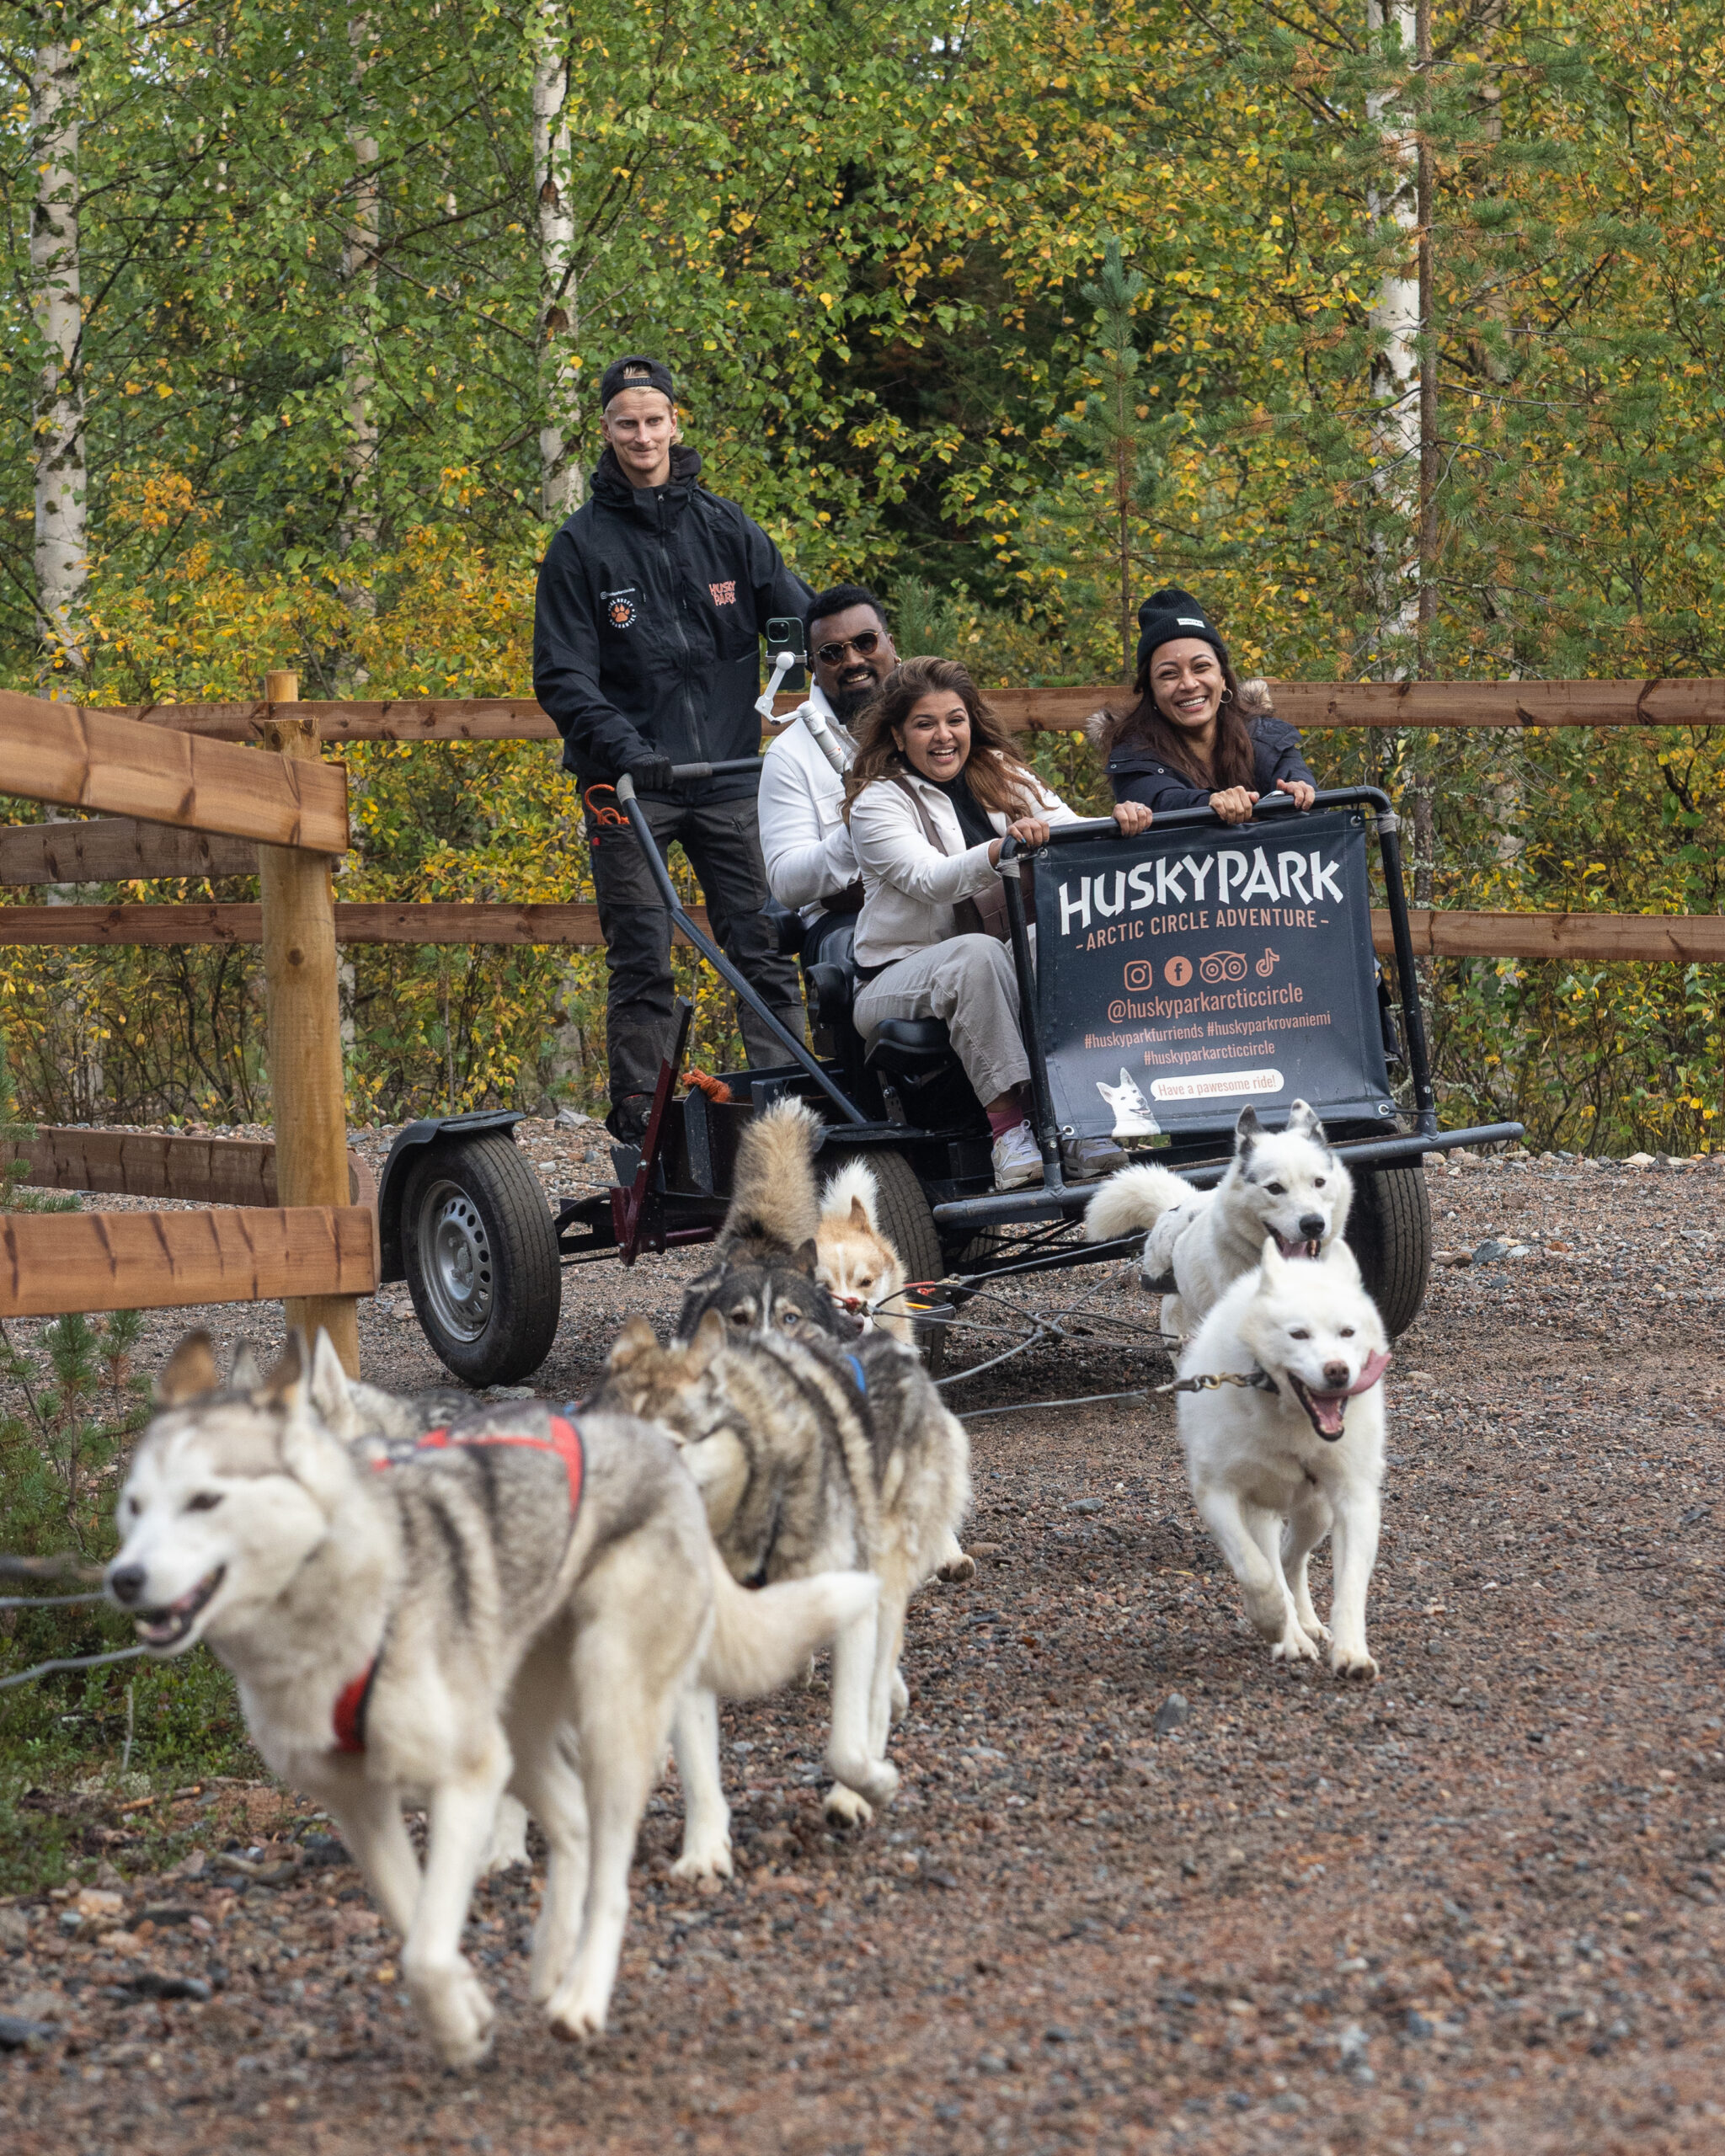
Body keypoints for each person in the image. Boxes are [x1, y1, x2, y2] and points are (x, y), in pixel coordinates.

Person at [532, 354, 812, 1141]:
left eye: (655, 420)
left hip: (730, 776)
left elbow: (800, 623)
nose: (643, 434)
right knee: (643, 957)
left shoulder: (727, 529)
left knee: (762, 942)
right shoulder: (580, 547)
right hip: (632, 787)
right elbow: (561, 677)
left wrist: (856, 673)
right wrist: (627, 749)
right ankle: (641, 1120)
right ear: (608, 431)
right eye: (628, 422)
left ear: (675, 424)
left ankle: (789, 1094)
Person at [844, 657, 1155, 1191]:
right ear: (897, 735)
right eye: (925, 724)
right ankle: (1009, 1133)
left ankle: (1077, 1118)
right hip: (894, 978)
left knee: (1052, 940)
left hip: (991, 961)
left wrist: (1122, 824)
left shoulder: (1000, 773)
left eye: (955, 720)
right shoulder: (877, 803)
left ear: (971, 722)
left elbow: (1073, 833)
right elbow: (929, 880)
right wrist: (1000, 848)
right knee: (976, 954)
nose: (944, 736)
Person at [757, 584, 899, 969]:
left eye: (865, 642)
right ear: (812, 668)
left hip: (954, 896)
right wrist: (857, 834)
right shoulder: (789, 755)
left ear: (890, 644)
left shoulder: (936, 726)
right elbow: (786, 883)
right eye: (832, 653)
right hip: (851, 922)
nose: (852, 660)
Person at [1102, 586, 1317, 822]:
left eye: (1201, 667)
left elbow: (1292, 774)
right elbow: (1159, 801)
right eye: (1169, 674)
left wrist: (1299, 788)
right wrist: (1210, 803)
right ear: (1150, 690)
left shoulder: (1267, 737)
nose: (1188, 683)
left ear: (1223, 677)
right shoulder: (1132, 757)